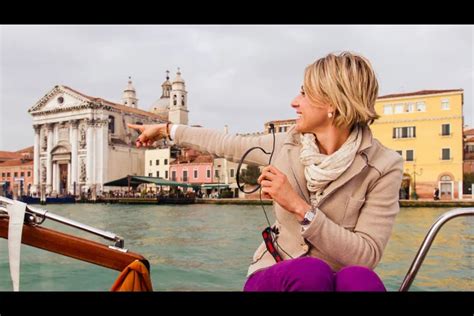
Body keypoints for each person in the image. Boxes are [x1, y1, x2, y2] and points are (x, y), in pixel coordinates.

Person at [128, 51, 403, 291]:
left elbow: (366, 255)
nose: (295, 102)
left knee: (360, 280)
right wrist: (166, 130)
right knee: (311, 272)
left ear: (332, 104)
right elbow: (224, 143)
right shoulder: (284, 144)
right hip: (277, 274)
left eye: (305, 93)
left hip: (333, 279)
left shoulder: (383, 166)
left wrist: (300, 207)